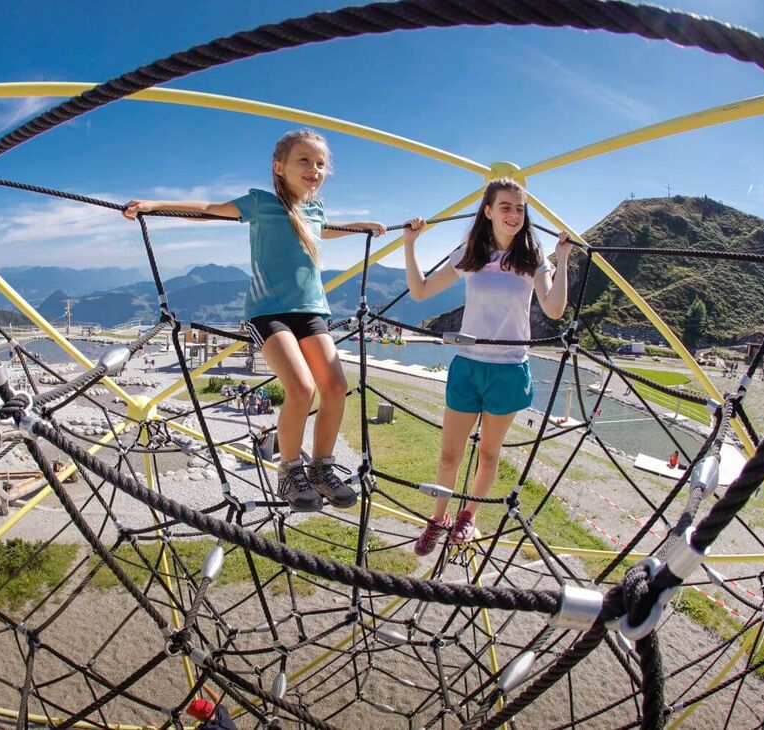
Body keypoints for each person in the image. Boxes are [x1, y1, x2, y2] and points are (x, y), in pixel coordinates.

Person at [124, 129, 384, 512]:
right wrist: (153, 205)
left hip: (312, 310)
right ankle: (290, 471)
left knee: (335, 386)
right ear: (279, 167)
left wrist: (360, 226)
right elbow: (208, 209)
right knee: (300, 388)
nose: (314, 169)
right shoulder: (260, 203)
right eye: (304, 160)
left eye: (321, 164)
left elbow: (320, 230)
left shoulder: (315, 210)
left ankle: (321, 468)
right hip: (269, 313)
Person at [402, 178, 573, 554]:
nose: (514, 215)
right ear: (488, 210)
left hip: (509, 369)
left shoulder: (532, 258)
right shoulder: (472, 253)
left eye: (520, 208)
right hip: (468, 366)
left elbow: (555, 309)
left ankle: (468, 519)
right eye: (506, 207)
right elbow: (420, 291)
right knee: (449, 456)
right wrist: (409, 245)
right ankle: (438, 518)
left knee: (489, 454)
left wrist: (562, 261)